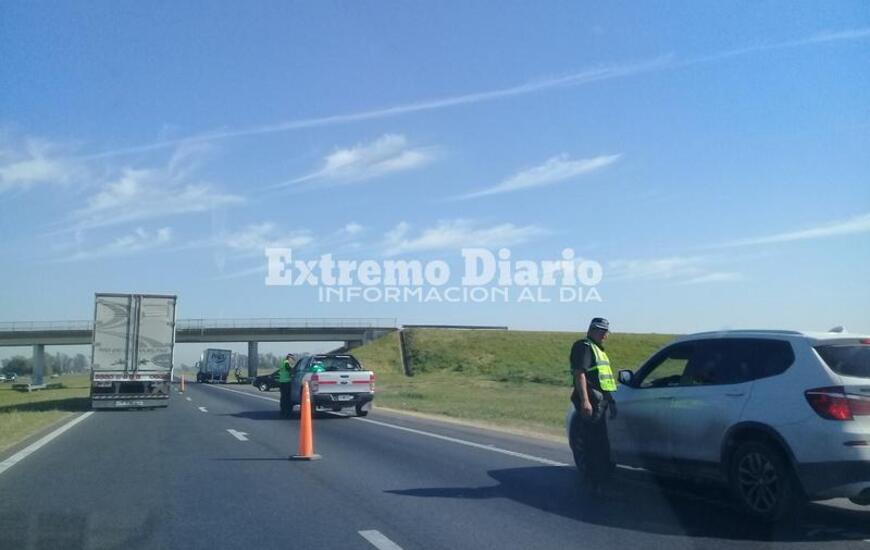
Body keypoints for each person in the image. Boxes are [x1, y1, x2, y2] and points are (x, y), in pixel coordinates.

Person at [570, 317, 618, 494]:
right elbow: (580, 374)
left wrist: (610, 401)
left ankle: (599, 479)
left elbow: (603, 380)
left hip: (600, 401)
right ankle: (593, 481)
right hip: (591, 400)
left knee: (600, 443)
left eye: (606, 332)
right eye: (602, 331)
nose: (605, 335)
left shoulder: (598, 350)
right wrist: (584, 401)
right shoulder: (584, 347)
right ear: (592, 330)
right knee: (592, 443)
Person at [278, 353, 294, 418]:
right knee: (287, 397)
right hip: (286, 382)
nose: (293, 360)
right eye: (292, 359)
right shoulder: (286, 363)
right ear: (289, 358)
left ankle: (283, 410)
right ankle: (287, 411)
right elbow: (289, 369)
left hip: (282, 381)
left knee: (283, 397)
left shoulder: (282, 362)